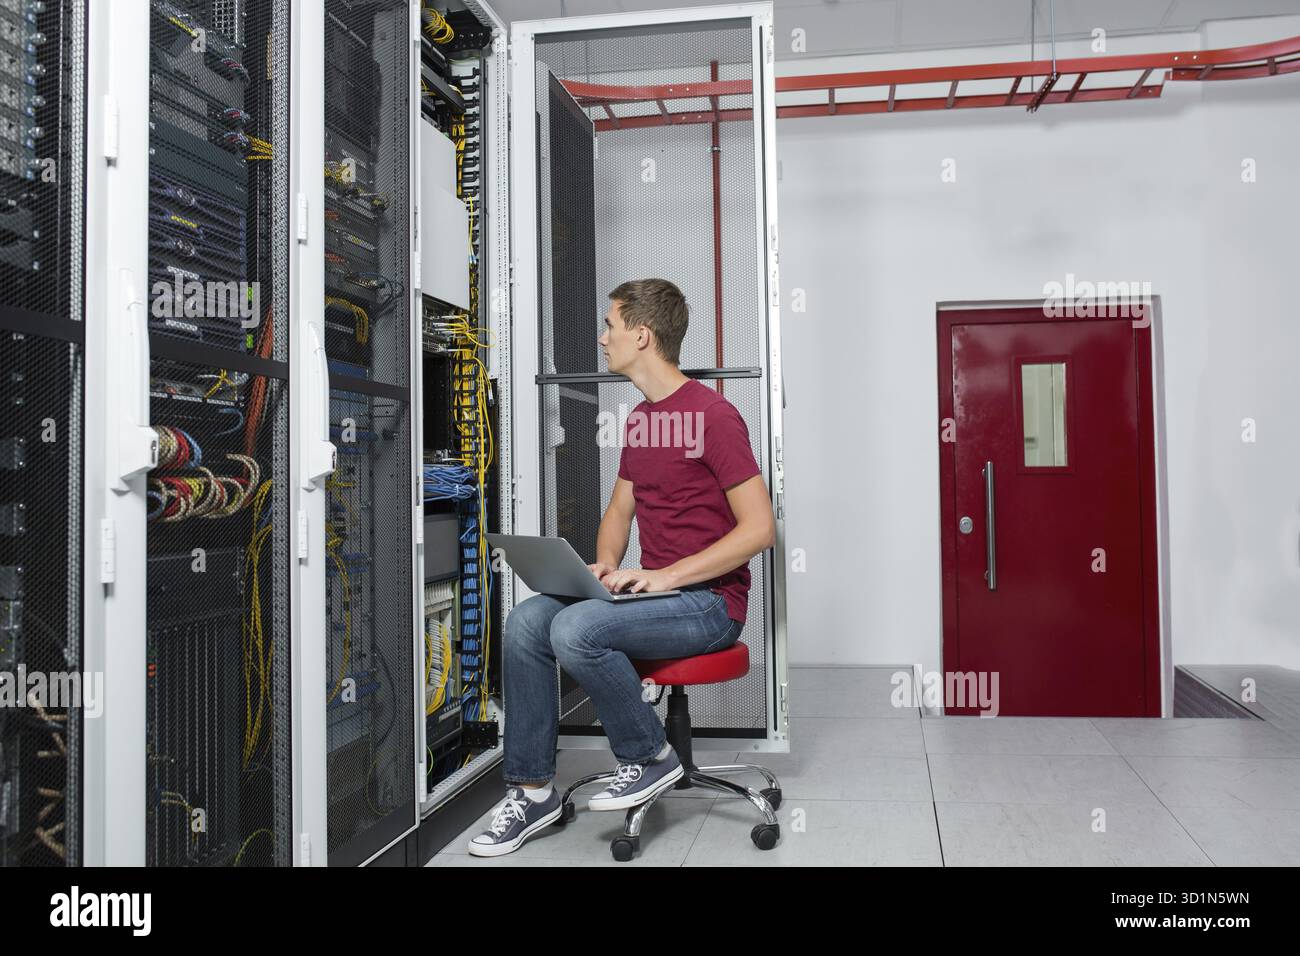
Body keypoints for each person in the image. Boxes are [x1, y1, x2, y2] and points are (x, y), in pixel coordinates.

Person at [468, 278, 776, 857]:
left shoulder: (714, 416)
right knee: (529, 619)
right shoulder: (640, 420)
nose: (603, 337)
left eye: (610, 326)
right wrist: (605, 565)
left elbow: (760, 530)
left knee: (575, 629)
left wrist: (665, 575)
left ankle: (648, 755)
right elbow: (618, 509)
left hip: (709, 604)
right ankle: (533, 792)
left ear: (642, 335)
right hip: (657, 597)